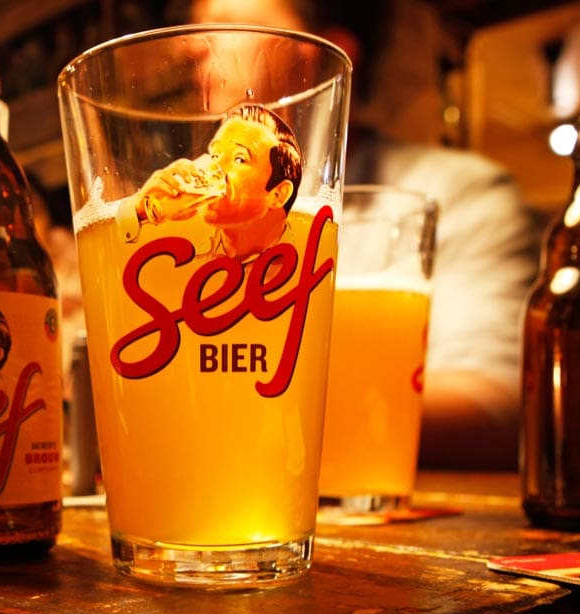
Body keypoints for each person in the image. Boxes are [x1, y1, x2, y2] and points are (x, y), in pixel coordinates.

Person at [189, 0, 541, 470]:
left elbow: (497, 404)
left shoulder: (454, 194)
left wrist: (227, 403)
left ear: (322, 53)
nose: (193, 47)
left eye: (226, 26)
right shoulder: (200, 218)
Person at [117, 104, 302, 261]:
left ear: (279, 194)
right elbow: (112, 263)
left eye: (239, 159)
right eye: (215, 155)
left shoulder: (305, 258)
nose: (214, 167)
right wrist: (140, 210)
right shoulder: (186, 250)